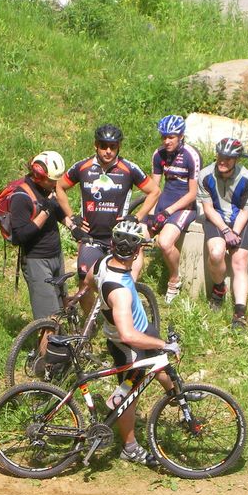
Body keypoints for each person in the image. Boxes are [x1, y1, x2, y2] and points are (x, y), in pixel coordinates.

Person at [86, 220, 180, 465]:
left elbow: (88, 282)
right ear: (137, 251)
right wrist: (163, 344)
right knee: (129, 397)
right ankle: (129, 447)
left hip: (141, 328)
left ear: (112, 244)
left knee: (160, 364)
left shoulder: (103, 262)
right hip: (127, 345)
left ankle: (177, 396)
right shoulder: (120, 292)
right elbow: (127, 335)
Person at [56, 124, 160, 311]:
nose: (108, 151)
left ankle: (120, 318)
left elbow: (154, 191)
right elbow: (60, 186)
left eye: (113, 146)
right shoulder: (83, 167)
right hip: (90, 238)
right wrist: (71, 217)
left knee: (120, 285)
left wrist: (137, 217)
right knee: (85, 283)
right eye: (103, 146)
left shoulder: (129, 168)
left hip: (118, 238)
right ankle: (90, 323)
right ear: (96, 145)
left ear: (119, 146)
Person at [197, 138, 248, 330]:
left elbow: (246, 211)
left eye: (228, 158)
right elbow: (208, 208)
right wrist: (225, 230)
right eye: (220, 156)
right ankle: (219, 288)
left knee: (240, 262)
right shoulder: (205, 175)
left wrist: (235, 232)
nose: (222, 161)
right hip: (216, 218)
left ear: (236, 160)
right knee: (216, 253)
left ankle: (239, 314)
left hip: (238, 220)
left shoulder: (247, 178)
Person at [146, 115, 202, 304]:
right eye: (164, 137)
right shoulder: (158, 154)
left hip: (184, 205)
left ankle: (174, 279)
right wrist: (152, 213)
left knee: (164, 242)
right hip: (164, 201)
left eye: (171, 137)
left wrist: (168, 212)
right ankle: (130, 282)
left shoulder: (191, 155)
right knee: (136, 237)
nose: (167, 141)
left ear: (181, 136)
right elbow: (154, 188)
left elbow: (193, 194)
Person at [9, 150, 69, 324]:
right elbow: (19, 236)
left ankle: (60, 340)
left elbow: (56, 211)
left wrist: (74, 226)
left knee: (61, 309)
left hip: (56, 256)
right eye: (51, 180)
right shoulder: (21, 197)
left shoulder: (45, 188)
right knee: (49, 320)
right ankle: (45, 342)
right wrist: (45, 211)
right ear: (38, 176)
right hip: (37, 261)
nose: (55, 184)